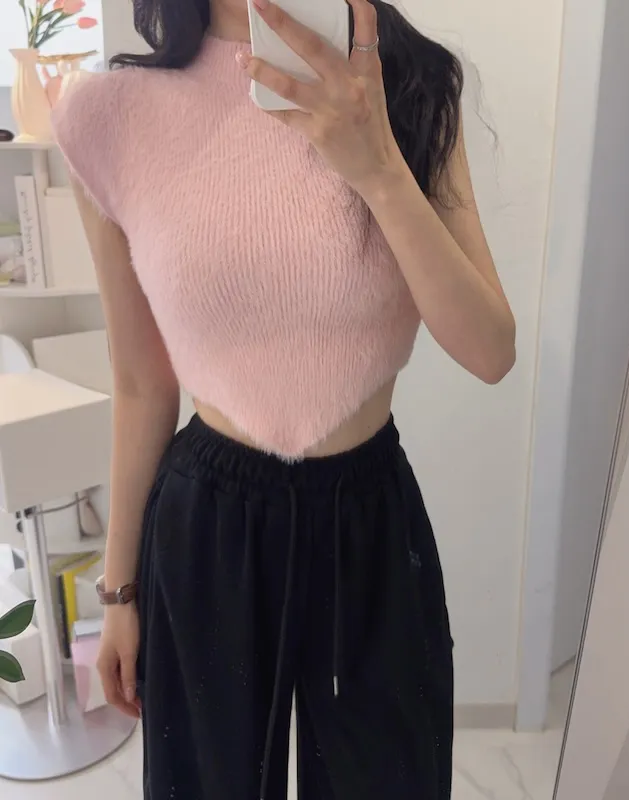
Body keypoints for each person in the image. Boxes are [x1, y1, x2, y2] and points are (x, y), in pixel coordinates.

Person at [51, 0, 515, 797]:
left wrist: (377, 167)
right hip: (206, 522)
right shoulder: (109, 116)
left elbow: (490, 351)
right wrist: (118, 590)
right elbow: (141, 383)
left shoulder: (409, 82)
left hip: (370, 518)